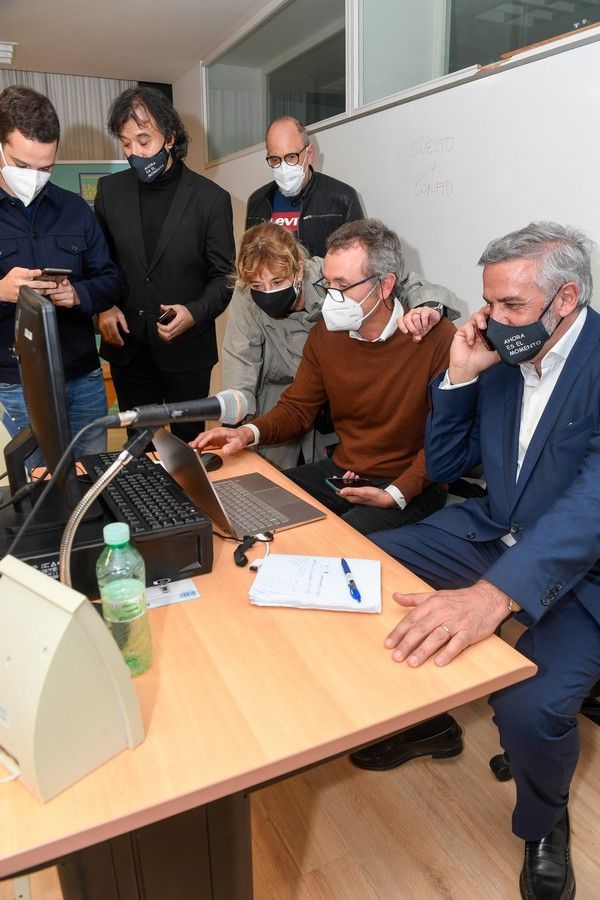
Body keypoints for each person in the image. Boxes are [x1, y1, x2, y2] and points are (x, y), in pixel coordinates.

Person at [369, 222, 599, 900]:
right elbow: (445, 466)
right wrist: (459, 377)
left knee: (529, 704)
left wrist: (494, 596)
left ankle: (544, 822)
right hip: (499, 525)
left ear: (567, 298)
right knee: (372, 566)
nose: (494, 320)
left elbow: (591, 506)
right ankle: (433, 718)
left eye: (512, 307)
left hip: (587, 561)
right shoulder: (499, 353)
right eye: (489, 302)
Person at [192, 217, 456, 538]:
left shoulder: (436, 336)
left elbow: (447, 436)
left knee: (334, 540)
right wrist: (247, 433)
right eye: (328, 284)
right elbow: (297, 408)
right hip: (345, 472)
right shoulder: (326, 334)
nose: (331, 297)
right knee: (251, 503)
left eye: (342, 285)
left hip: (412, 482)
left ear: (385, 285)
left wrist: (395, 493)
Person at [224, 221, 460, 470]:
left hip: (350, 420)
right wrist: (238, 426)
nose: (268, 292)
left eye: (277, 281)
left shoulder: (330, 278)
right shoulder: (318, 329)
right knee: (275, 482)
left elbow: (407, 283)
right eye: (258, 286)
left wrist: (429, 308)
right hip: (291, 398)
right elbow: (243, 363)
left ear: (299, 271)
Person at [95, 86, 235, 442]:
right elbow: (100, 263)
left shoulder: (211, 199)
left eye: (144, 140)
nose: (135, 153)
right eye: (126, 144)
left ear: (170, 138)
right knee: (137, 446)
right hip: (128, 345)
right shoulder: (110, 191)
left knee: (189, 444)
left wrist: (194, 312)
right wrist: (105, 307)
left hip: (186, 350)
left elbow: (224, 277)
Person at [0, 85, 120, 460]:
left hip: (83, 375)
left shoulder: (76, 210)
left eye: (46, 168)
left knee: (93, 479)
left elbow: (110, 279)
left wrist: (78, 295)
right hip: (18, 384)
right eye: (22, 166)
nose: (34, 177)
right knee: (38, 488)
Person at [245, 116, 364, 258]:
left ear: (309, 154)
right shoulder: (258, 201)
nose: (283, 166)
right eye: (275, 159)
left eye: (291, 157)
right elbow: (250, 262)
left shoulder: (343, 198)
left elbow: (356, 264)